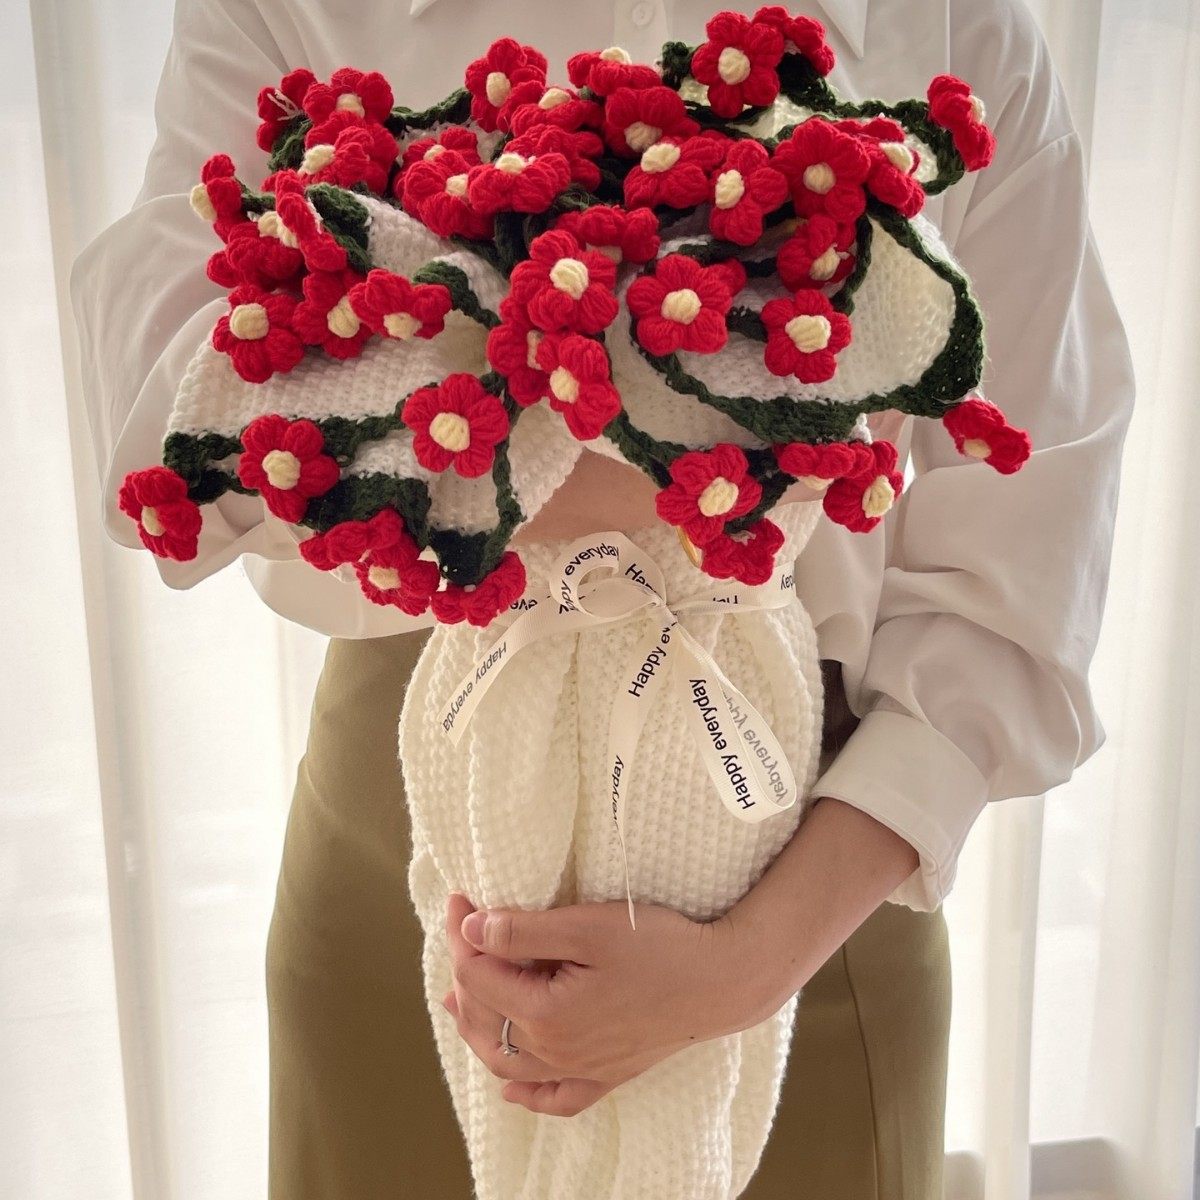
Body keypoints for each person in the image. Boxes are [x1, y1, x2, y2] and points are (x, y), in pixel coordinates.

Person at [70, 0, 1134, 1196]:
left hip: (822, 873)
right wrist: (699, 456)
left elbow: (1032, 545)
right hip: (416, 835)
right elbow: (160, 397)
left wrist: (754, 964)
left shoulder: (954, 21)